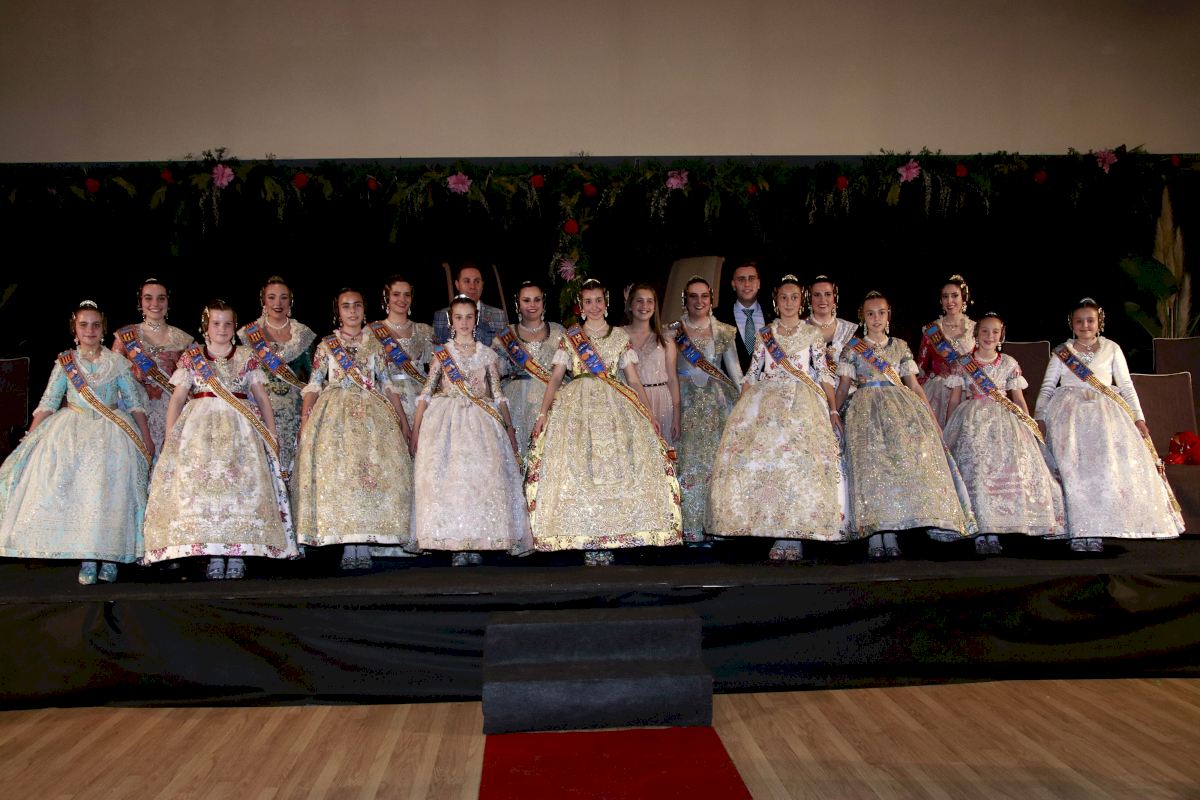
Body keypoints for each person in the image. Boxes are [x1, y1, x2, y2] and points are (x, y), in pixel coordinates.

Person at [526, 278, 682, 565]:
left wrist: (648, 414)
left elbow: (633, 379)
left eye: (599, 300)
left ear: (606, 303)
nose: (594, 306)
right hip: (577, 408)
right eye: (588, 301)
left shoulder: (619, 337)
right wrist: (543, 413)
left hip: (614, 406)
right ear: (581, 306)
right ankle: (586, 536)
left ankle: (611, 535)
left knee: (615, 471)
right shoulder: (570, 337)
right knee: (580, 471)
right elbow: (556, 378)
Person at [0, 301, 152, 584]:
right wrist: (31, 436)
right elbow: (48, 402)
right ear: (75, 329)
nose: (90, 330)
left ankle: (110, 556)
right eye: (84, 325)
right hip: (72, 432)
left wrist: (146, 438)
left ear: (103, 329)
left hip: (112, 433)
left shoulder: (118, 363)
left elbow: (134, 404)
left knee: (111, 495)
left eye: (95, 325)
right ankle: (88, 558)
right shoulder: (65, 363)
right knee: (82, 497)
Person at [143, 300, 297, 579]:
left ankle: (237, 554)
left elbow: (262, 398)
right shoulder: (193, 357)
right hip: (199, 432)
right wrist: (170, 436)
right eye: (216, 323)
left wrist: (271, 434)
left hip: (241, 432)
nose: (222, 329)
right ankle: (214, 553)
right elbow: (177, 398)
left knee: (239, 491)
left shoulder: (246, 356)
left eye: (227, 323)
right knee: (206, 493)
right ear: (206, 327)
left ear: (234, 327)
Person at [707, 275, 847, 560]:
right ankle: (773, 527)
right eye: (784, 297)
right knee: (767, 464)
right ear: (776, 301)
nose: (789, 303)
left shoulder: (812, 334)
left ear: (801, 301)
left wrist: (833, 409)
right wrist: (741, 408)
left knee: (797, 464)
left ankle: (794, 535)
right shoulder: (765, 334)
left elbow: (823, 373)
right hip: (767, 403)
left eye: (794, 297)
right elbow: (752, 373)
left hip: (803, 404)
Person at [835, 291, 976, 559]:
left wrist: (929, 414)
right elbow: (843, 387)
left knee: (894, 470)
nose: (876, 318)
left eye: (881, 313)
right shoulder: (853, 348)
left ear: (888, 316)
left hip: (899, 409)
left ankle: (892, 530)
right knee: (871, 471)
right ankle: (874, 532)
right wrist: (832, 412)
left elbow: (913, 384)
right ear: (863, 318)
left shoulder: (900, 346)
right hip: (864, 412)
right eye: (870, 314)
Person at [1035, 298, 1183, 552]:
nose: (1085, 325)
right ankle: (1076, 532)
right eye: (1079, 321)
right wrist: (1038, 417)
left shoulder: (1112, 348)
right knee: (1073, 474)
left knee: (1101, 474)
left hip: (1105, 418)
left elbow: (1126, 386)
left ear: (1099, 322)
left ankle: (1096, 530)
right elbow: (1048, 387)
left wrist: (1138, 418)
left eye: (1090, 320)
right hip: (1068, 418)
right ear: (1071, 323)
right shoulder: (1062, 352)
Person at [293, 289, 415, 570]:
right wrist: (305, 421)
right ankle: (349, 543)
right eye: (346, 306)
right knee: (343, 477)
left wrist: (403, 421)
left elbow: (387, 384)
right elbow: (314, 384)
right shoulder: (327, 345)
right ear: (338, 311)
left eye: (357, 305)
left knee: (370, 475)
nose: (352, 311)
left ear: (364, 309)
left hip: (373, 415)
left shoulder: (376, 344)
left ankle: (365, 540)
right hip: (335, 415)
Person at [411, 295, 533, 564]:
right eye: (459, 317)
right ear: (451, 321)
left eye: (469, 317)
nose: (464, 322)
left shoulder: (487, 354)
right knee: (452, 483)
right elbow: (427, 392)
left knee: (481, 481)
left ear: (475, 320)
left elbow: (498, 395)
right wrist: (416, 431)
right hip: (446, 423)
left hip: (481, 423)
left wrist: (510, 431)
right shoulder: (441, 354)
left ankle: (477, 540)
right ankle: (456, 544)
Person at [943, 312, 1065, 554]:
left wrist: (1028, 424)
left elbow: (1018, 399)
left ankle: (998, 527)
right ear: (976, 334)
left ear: (1001, 336)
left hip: (1004, 422)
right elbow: (954, 400)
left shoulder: (1009, 363)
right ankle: (980, 531)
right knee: (977, 471)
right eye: (985, 331)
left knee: (1005, 471)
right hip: (972, 421)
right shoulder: (963, 363)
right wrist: (948, 430)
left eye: (995, 332)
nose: (989, 336)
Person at [670, 276, 743, 544]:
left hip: (717, 405)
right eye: (693, 296)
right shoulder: (673, 332)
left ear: (711, 300)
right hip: (685, 403)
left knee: (716, 463)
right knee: (688, 461)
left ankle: (716, 524)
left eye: (704, 296)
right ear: (685, 300)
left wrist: (747, 403)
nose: (699, 301)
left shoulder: (724, 331)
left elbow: (735, 372)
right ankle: (690, 527)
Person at [237, 276, 316, 485]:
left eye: (283, 297)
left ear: (291, 301)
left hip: (295, 414)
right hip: (261, 411)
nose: (277, 303)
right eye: (271, 297)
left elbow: (313, 378)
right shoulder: (248, 335)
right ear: (263, 301)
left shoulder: (303, 335)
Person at [111, 277, 194, 454]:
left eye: (161, 298)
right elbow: (113, 376)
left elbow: (193, 381)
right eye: (148, 298)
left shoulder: (183, 339)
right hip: (135, 411)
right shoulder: (125, 337)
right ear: (140, 302)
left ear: (168, 302)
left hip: (173, 412)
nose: (155, 304)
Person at [491, 280, 566, 461]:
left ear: (543, 302)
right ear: (518, 303)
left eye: (537, 300)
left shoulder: (558, 331)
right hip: (516, 398)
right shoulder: (506, 335)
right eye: (526, 300)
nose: (532, 305)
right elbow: (494, 373)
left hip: (553, 398)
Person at [371, 274, 435, 425]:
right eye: (396, 294)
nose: (402, 299)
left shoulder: (424, 330)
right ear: (387, 297)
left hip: (422, 399)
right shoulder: (372, 332)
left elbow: (436, 369)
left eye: (407, 294)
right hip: (388, 398)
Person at [624, 283, 680, 448]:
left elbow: (672, 379)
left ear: (655, 307)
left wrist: (676, 416)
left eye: (650, 301)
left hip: (662, 402)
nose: (645, 306)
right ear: (630, 305)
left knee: (662, 454)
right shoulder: (618, 335)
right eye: (639, 301)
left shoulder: (665, 339)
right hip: (631, 401)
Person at [916, 274, 976, 427]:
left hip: (968, 390)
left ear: (963, 298)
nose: (950, 301)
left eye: (955, 296)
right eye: (945, 296)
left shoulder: (976, 329)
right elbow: (921, 368)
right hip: (939, 391)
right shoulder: (931, 330)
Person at [716, 260, 773, 373]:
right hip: (731, 383)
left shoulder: (773, 318)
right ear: (733, 284)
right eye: (741, 279)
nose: (747, 284)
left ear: (758, 283)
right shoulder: (718, 317)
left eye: (751, 278)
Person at [432, 262, 508, 344]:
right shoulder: (441, 316)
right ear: (457, 285)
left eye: (477, 281)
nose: (472, 286)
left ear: (482, 285)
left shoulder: (499, 315)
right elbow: (435, 348)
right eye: (467, 281)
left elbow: (505, 349)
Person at [804, 274, 858, 378]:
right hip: (808, 386)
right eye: (817, 295)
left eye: (828, 294)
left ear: (834, 297)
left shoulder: (848, 329)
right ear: (810, 298)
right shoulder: (800, 328)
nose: (822, 299)